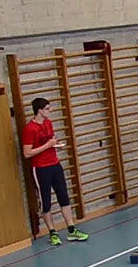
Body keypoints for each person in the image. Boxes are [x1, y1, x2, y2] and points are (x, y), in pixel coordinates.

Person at [22, 98, 89, 245]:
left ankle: (71, 229)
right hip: (41, 168)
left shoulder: (48, 123)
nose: (50, 110)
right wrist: (47, 145)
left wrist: (56, 145)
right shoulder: (30, 129)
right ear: (39, 110)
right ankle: (52, 232)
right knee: (46, 201)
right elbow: (27, 153)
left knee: (64, 197)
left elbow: (51, 142)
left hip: (55, 165)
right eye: (47, 108)